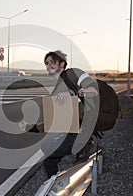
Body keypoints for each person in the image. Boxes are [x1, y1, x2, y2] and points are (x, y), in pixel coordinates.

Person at [19, 50, 99, 178]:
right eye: (46, 63)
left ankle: (85, 146)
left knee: (51, 150)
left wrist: (76, 93)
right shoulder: (57, 90)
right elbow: (54, 121)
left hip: (83, 130)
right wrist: (31, 126)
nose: (48, 65)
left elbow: (94, 90)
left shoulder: (74, 73)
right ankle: (56, 184)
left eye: (52, 62)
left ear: (62, 64)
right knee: (48, 155)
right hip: (70, 130)